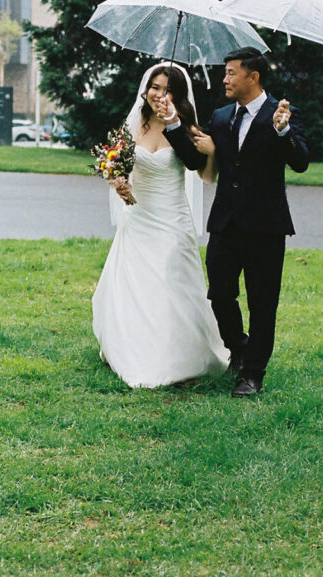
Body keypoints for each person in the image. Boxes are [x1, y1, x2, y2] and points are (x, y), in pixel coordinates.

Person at [161, 47, 309, 398]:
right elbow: (197, 160)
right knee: (220, 294)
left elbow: (300, 161)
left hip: (266, 226)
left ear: (252, 77)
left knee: (262, 302)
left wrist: (283, 131)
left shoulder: (281, 113)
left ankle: (253, 374)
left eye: (230, 73)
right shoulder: (222, 115)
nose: (224, 79)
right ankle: (238, 348)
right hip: (225, 223)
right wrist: (173, 126)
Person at [92, 63, 228, 388]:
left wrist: (184, 132)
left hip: (171, 217)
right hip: (139, 217)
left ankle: (182, 359)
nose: (158, 94)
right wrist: (119, 182)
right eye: (154, 86)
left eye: (166, 89)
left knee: (171, 281)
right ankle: (136, 349)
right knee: (138, 285)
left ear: (177, 95)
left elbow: (201, 170)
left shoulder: (185, 126)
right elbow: (116, 162)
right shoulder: (134, 123)